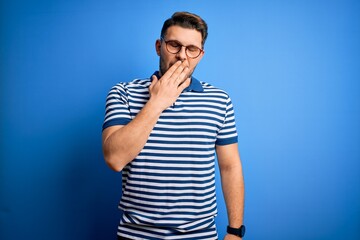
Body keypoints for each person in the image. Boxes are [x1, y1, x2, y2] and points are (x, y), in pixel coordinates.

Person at [102, 12, 245, 240]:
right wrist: (157, 102)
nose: (182, 57)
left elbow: (230, 167)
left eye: (191, 49)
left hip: (199, 235)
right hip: (136, 235)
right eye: (174, 45)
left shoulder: (220, 100)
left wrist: (235, 231)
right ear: (159, 46)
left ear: (201, 54)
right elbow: (114, 159)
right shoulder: (123, 93)